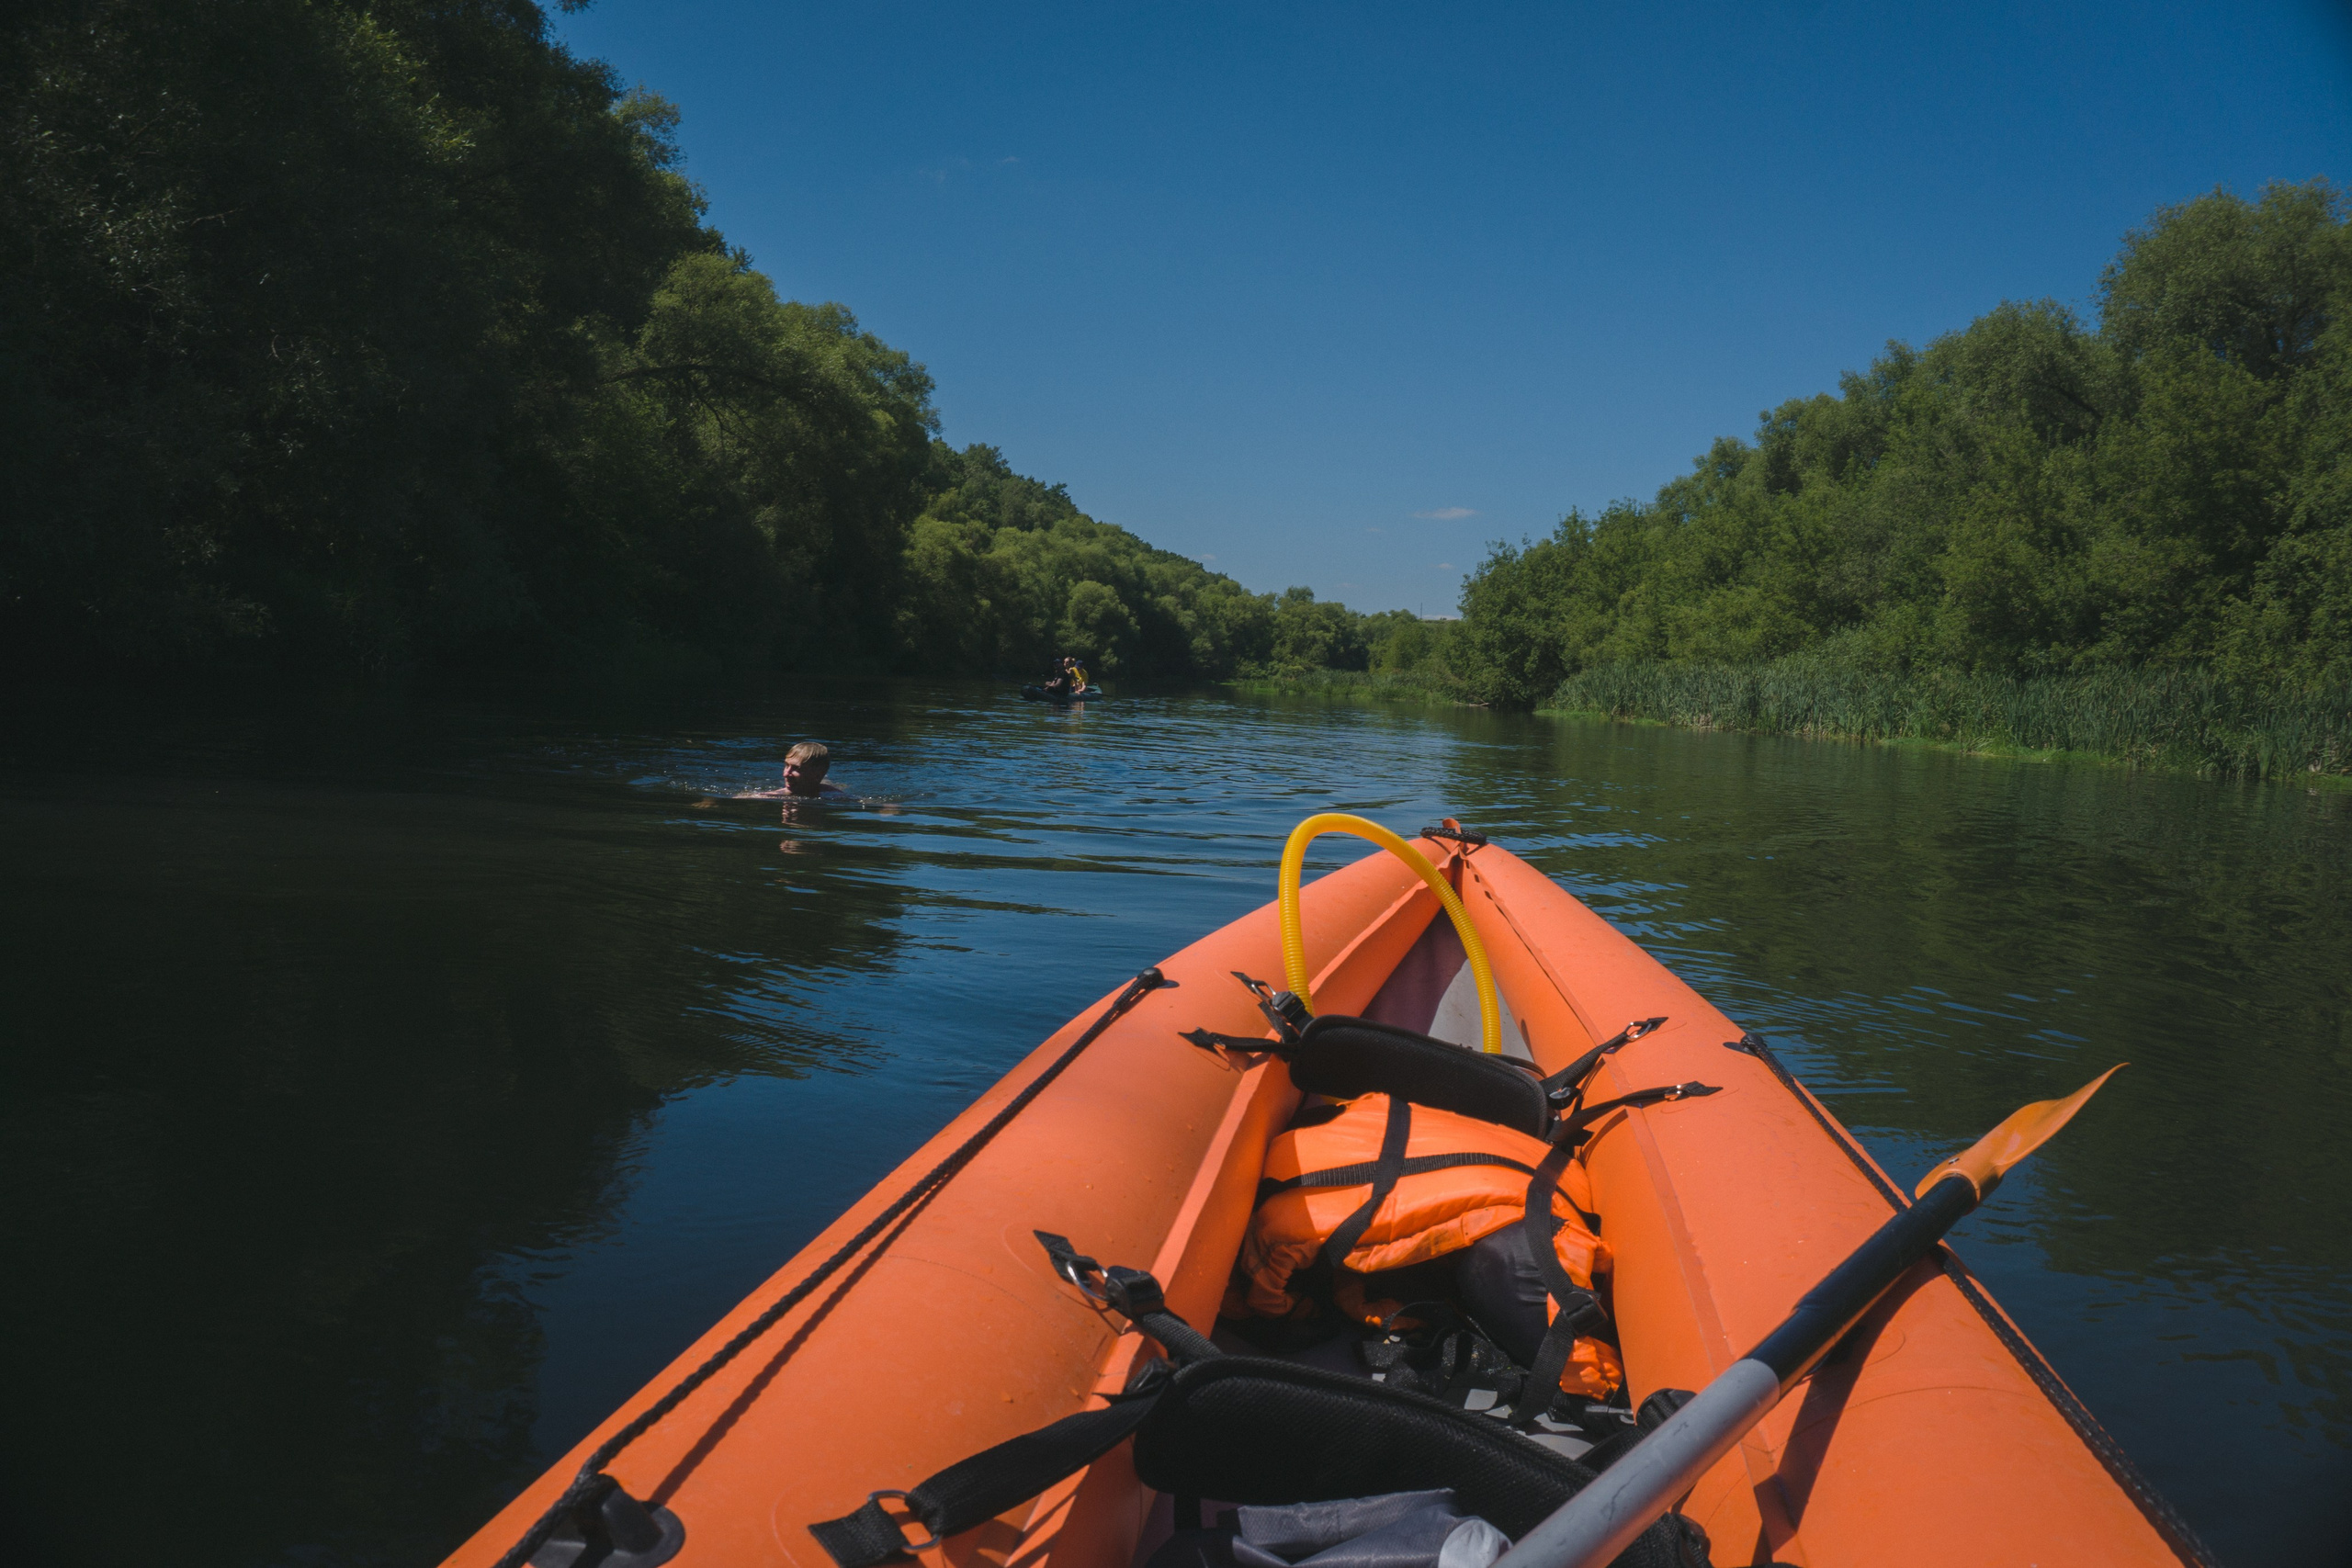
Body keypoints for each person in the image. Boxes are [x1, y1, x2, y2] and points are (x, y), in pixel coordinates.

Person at [781, 740, 848, 799]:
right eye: (786, 765)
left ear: (818, 775)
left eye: (796, 768)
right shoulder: (774, 796)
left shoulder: (835, 795)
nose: (785, 774)